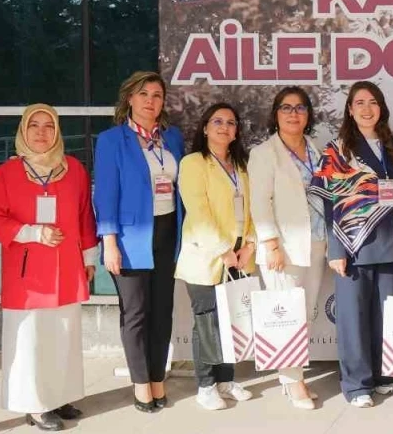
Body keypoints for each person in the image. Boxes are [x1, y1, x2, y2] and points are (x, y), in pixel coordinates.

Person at [0, 104, 97, 432]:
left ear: (57, 131)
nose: (41, 132)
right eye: (34, 125)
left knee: (63, 335)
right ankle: (34, 405)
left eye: (49, 126)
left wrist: (89, 259)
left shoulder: (74, 169)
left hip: (67, 266)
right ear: (23, 130)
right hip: (27, 271)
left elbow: (84, 216)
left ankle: (59, 396)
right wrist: (32, 233)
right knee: (31, 339)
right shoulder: (7, 172)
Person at [93, 71, 185, 413]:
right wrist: (109, 243)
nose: (150, 101)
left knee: (162, 311)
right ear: (129, 99)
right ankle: (141, 384)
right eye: (143, 94)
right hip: (129, 238)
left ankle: (158, 378)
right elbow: (105, 195)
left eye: (157, 95)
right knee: (136, 313)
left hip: (168, 233)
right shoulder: (111, 140)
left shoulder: (172, 138)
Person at [312, 81, 393, 408]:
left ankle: (382, 375)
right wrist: (336, 249)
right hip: (351, 247)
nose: (367, 108)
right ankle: (356, 385)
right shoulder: (337, 150)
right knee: (353, 320)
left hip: (391, 244)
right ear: (350, 110)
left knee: (385, 316)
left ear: (382, 108)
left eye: (373, 102)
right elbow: (328, 203)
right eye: (360, 103)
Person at [175, 103, 257, 411]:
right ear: (205, 128)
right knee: (207, 321)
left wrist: (250, 244)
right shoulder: (193, 163)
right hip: (207, 255)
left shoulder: (243, 166)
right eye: (218, 121)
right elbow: (198, 211)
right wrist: (223, 250)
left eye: (231, 123)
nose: (224, 127)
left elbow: (254, 209)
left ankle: (226, 380)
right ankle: (206, 385)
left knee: (232, 318)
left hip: (240, 254)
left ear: (237, 132)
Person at [249, 87, 326, 410]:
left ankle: (290, 376)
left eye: (300, 108)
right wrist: (270, 244)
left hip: (316, 243)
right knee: (286, 315)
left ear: (308, 114)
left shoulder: (315, 148)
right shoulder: (264, 153)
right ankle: (293, 381)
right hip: (283, 248)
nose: (294, 114)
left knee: (305, 312)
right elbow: (260, 202)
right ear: (276, 114)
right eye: (286, 108)